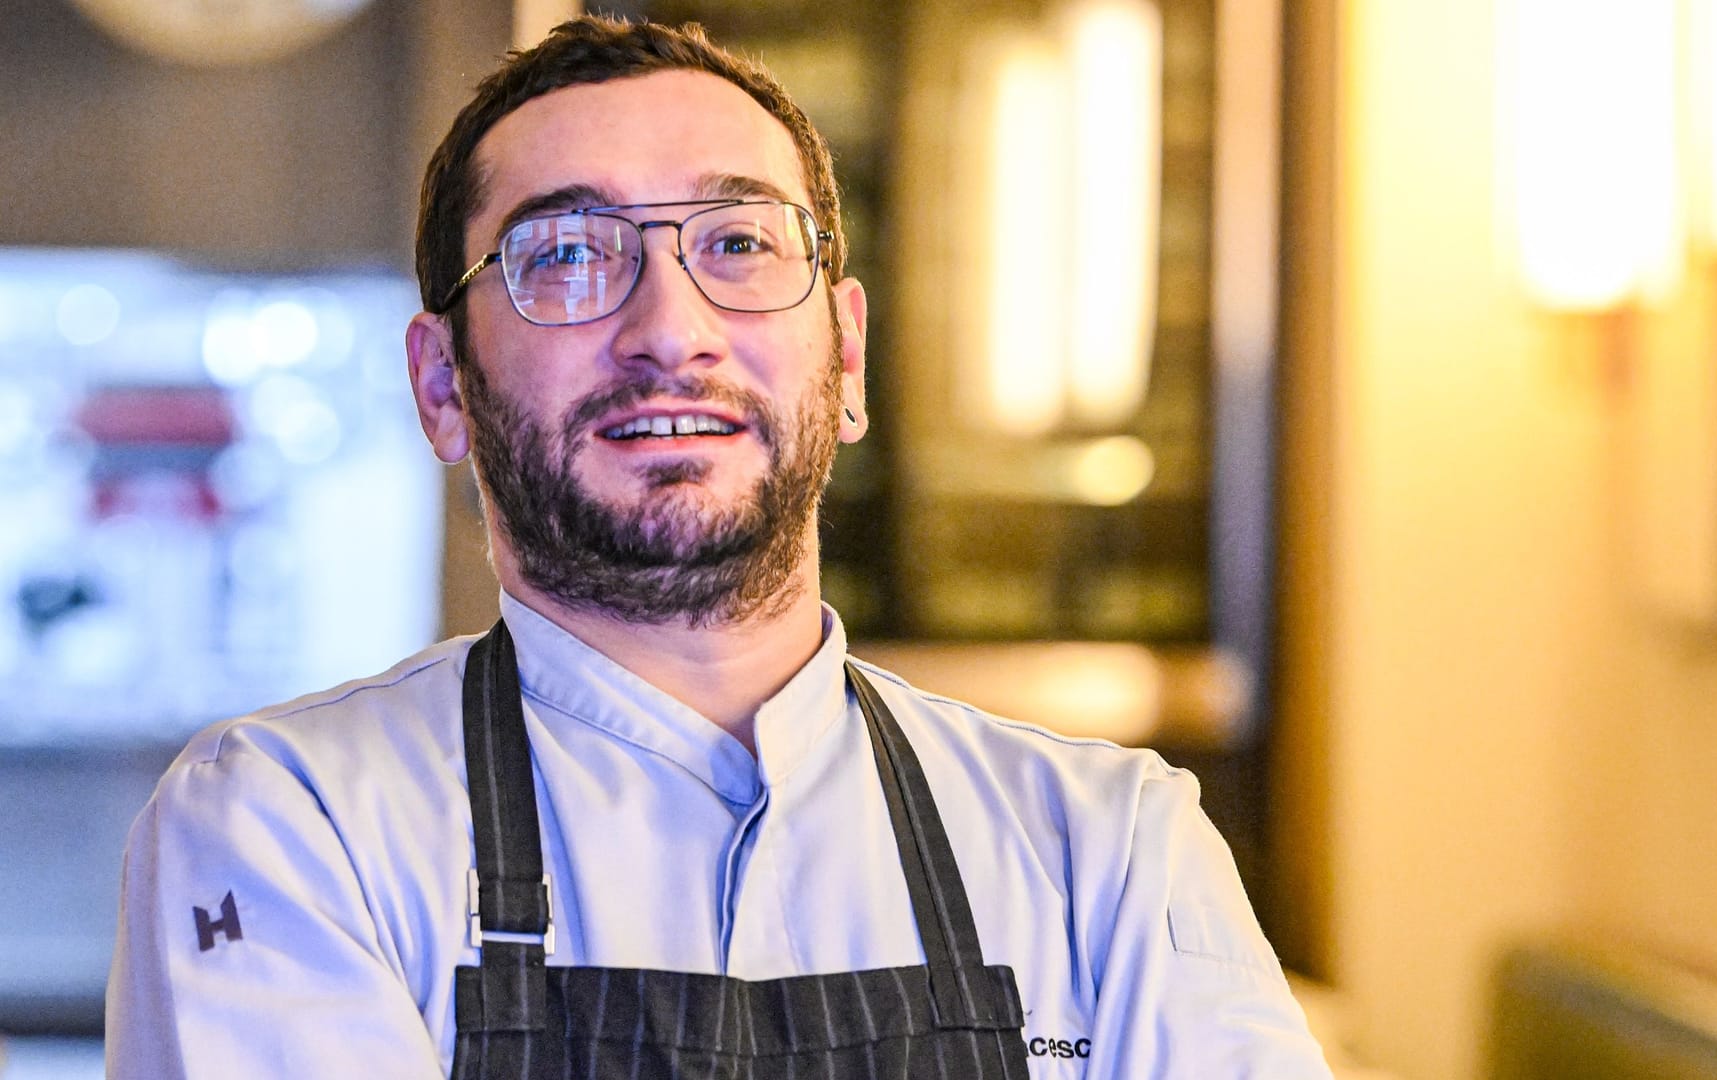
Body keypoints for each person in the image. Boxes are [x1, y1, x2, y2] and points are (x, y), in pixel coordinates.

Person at [106, 16, 1332, 1079]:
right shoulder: (291, 827)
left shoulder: (1108, 850)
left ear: (847, 358)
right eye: (570, 256)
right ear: (441, 384)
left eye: (740, 245)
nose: (670, 328)